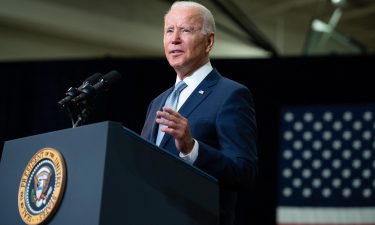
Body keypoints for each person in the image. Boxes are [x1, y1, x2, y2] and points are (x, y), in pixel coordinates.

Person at [141, 1, 258, 224]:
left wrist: (192, 148)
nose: (174, 39)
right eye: (169, 30)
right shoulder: (157, 102)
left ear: (209, 41)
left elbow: (245, 173)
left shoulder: (230, 95)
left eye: (185, 30)